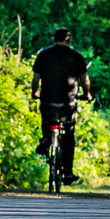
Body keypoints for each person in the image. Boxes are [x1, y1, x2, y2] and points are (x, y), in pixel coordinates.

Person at [30, 28, 91, 185]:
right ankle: (68, 173)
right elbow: (85, 80)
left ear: (53, 38)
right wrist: (86, 94)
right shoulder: (76, 56)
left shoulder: (43, 55)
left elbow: (36, 79)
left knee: (47, 119)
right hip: (68, 102)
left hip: (48, 100)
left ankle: (46, 140)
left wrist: (35, 92)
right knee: (69, 135)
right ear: (68, 39)